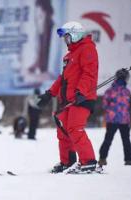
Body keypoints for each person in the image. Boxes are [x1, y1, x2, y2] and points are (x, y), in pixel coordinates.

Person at [37, 21, 98, 173]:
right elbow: (62, 78)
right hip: (68, 100)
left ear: (75, 34)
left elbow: (89, 73)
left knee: (74, 128)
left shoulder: (87, 49)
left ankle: (88, 161)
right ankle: (67, 161)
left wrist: (81, 92)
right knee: (63, 130)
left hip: (81, 98)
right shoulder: (69, 56)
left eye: (67, 37)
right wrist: (49, 93)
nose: (65, 40)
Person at [98, 69, 131, 166]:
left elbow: (104, 105)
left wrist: (111, 111)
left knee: (108, 140)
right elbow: (128, 106)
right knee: (126, 141)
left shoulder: (109, 91)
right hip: (124, 120)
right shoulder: (127, 91)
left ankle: (102, 159)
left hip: (112, 119)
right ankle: (129, 160)